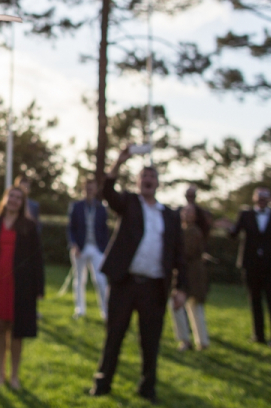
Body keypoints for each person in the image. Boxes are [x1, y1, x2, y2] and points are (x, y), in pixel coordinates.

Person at [89, 148, 187, 403]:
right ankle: (102, 384)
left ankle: (147, 388)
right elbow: (108, 193)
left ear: (157, 183)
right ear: (137, 181)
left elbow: (179, 253)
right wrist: (118, 161)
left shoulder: (169, 215)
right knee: (115, 335)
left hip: (154, 288)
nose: (148, 179)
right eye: (143, 175)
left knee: (151, 341)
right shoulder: (129, 203)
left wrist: (181, 288)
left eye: (152, 176)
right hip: (125, 283)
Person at [0, 186, 44, 389]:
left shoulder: (29, 226)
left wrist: (39, 288)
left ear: (23, 203)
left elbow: (37, 259)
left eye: (19, 198)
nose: (14, 200)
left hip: (21, 285)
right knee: (0, 327)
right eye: (12, 196)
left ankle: (15, 375)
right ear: (5, 198)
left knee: (17, 330)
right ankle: (0, 373)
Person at [226, 187, 271, 348]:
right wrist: (228, 227)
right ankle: (258, 335)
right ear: (254, 198)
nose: (262, 200)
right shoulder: (245, 215)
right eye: (259, 197)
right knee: (254, 301)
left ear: (269, 199)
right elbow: (234, 234)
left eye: (265, 197)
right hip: (251, 265)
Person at [67, 178, 109, 320]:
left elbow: (104, 230)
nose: (89, 190)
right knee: (79, 279)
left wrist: (104, 248)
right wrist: (74, 245)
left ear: (96, 190)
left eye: (92, 188)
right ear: (83, 189)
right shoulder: (76, 206)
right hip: (80, 248)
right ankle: (80, 309)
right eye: (87, 188)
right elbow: (71, 228)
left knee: (101, 279)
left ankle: (106, 312)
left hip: (97, 248)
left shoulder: (101, 208)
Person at [172, 205, 210, 351]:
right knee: (187, 306)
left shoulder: (192, 231)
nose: (186, 214)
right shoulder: (182, 230)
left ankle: (194, 341)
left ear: (195, 216)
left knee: (190, 306)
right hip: (187, 272)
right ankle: (197, 341)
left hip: (192, 274)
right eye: (185, 211)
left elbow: (186, 252)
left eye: (190, 212)